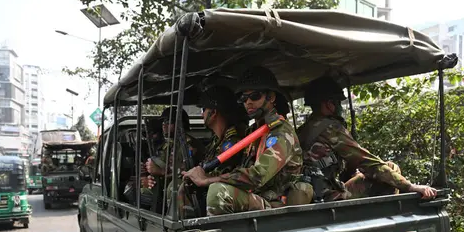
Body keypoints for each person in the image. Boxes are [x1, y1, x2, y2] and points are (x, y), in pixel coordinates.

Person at [183, 66, 311, 215]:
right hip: (258, 196)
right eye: (243, 98)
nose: (248, 102)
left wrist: (207, 180)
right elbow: (240, 169)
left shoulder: (281, 132)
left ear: (271, 97)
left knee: (218, 192)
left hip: (277, 203)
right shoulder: (253, 132)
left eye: (255, 96)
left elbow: (258, 176)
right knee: (189, 186)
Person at [297, 75, 437, 201]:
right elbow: (366, 161)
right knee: (390, 167)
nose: (340, 107)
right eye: (338, 102)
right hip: (327, 197)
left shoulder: (304, 130)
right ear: (329, 104)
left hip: (309, 195)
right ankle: (390, 219)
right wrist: (409, 186)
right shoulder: (330, 129)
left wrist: (351, 171)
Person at [176, 85, 248, 217]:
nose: (201, 114)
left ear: (213, 113)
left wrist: (200, 175)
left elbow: (223, 173)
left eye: (204, 109)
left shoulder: (233, 142)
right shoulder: (216, 140)